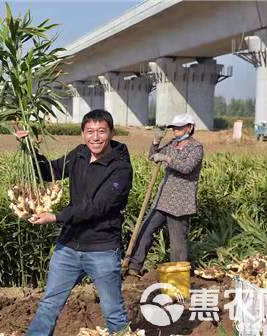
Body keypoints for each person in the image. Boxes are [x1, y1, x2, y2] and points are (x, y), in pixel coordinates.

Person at [18, 109, 133, 336]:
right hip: (69, 246)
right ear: (82, 134)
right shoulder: (79, 154)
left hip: (101, 248)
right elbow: (50, 170)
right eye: (90, 132)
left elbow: (97, 207)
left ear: (110, 133)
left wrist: (56, 216)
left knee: (113, 312)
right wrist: (30, 148)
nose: (95, 137)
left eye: (101, 131)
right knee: (49, 304)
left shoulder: (121, 169)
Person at [128, 113, 204, 276]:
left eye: (179, 128)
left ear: (189, 128)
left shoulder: (196, 148)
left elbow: (186, 167)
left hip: (180, 202)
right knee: (146, 230)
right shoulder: (172, 144)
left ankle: (178, 276)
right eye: (174, 128)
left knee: (177, 243)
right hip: (163, 198)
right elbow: (152, 156)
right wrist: (156, 142)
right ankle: (134, 266)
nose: (175, 131)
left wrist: (167, 158)